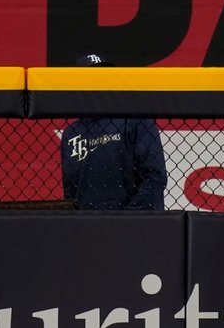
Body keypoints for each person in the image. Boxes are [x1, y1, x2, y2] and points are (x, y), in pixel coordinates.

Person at [60, 53, 167, 210]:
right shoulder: (71, 133)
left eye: (105, 75)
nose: (100, 80)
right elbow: (71, 193)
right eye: (92, 76)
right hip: (89, 226)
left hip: (136, 225)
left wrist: (127, 218)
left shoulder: (135, 118)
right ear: (78, 84)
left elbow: (155, 176)